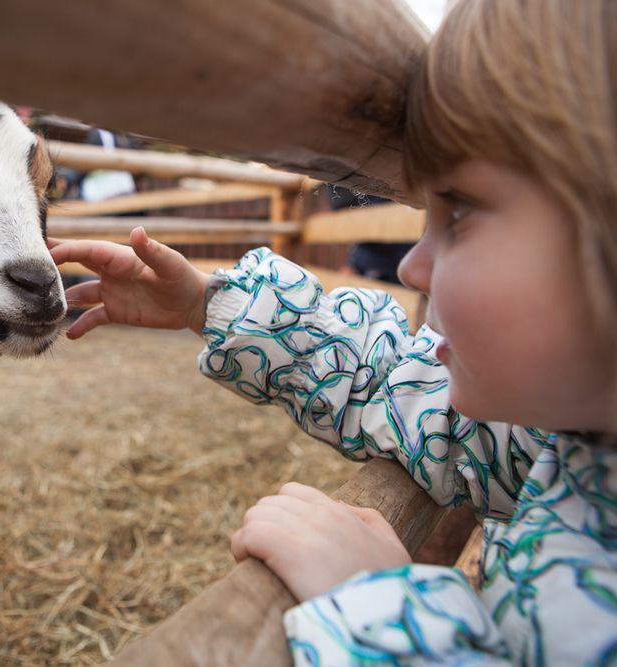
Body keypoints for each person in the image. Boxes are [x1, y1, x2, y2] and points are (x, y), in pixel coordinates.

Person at [48, 0, 617, 663]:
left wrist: (390, 612)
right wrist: (208, 305)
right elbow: (391, 390)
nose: (410, 264)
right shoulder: (569, 441)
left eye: (458, 210)